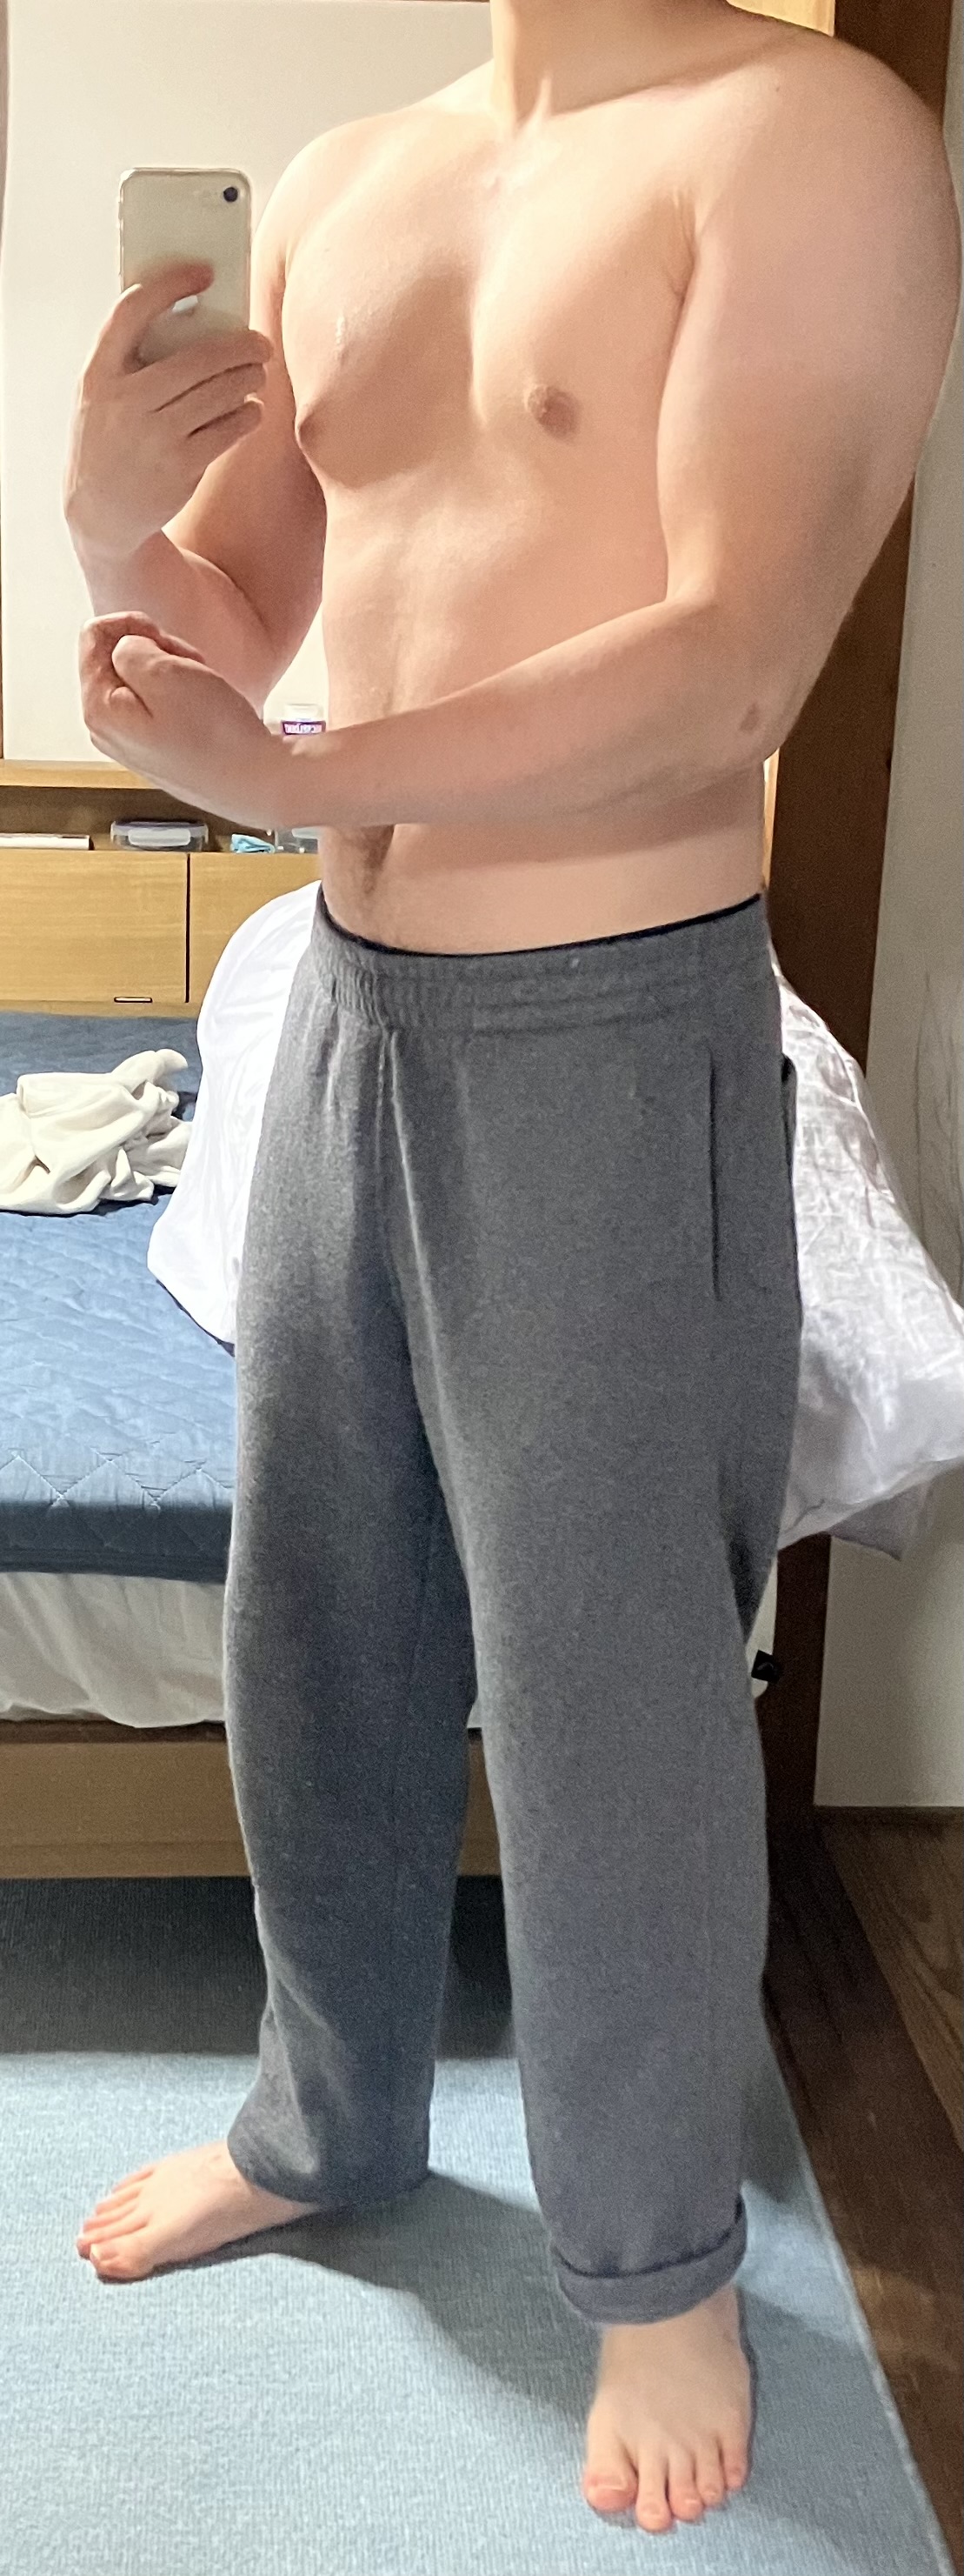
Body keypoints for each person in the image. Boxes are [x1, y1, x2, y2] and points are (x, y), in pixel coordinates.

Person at [40, 0, 958, 2538]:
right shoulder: (355, 176)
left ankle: (658, 2258)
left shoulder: (810, 138)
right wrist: (112, 529)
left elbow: (735, 655)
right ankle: (324, 2121)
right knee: (316, 1619)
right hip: (349, 1007)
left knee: (610, 1682)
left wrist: (306, 774)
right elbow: (235, 624)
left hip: (609, 1022)